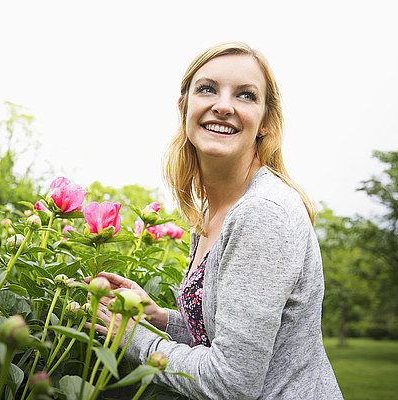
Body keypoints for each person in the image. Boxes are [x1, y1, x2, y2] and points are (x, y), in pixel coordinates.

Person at [92, 41, 344, 399]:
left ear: (265, 123)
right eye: (207, 89)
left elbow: (231, 382)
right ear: (184, 108)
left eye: (245, 95)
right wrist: (158, 318)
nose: (223, 106)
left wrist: (133, 339)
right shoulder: (213, 211)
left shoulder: (261, 213)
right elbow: (228, 339)